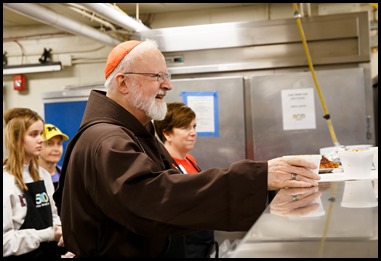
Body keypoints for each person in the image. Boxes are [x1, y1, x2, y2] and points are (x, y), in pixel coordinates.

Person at [53, 39, 321, 258]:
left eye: (167, 76)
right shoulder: (107, 140)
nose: (168, 85)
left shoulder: (132, 133)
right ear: (123, 83)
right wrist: (256, 177)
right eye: (157, 76)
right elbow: (155, 199)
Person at [154, 102, 218, 258]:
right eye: (185, 128)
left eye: (194, 126)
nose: (193, 133)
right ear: (167, 134)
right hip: (184, 247)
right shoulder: (164, 167)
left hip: (203, 242)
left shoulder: (189, 160)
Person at [3, 108, 63, 258]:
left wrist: (60, 233)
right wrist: (47, 234)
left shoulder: (43, 175)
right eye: (33, 134)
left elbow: (53, 215)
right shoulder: (6, 180)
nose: (41, 139)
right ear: (16, 138)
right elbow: (5, 243)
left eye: (41, 133)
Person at [39, 123, 69, 189]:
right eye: (49, 144)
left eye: (59, 144)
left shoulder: (67, 174)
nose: (56, 149)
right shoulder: (28, 177)